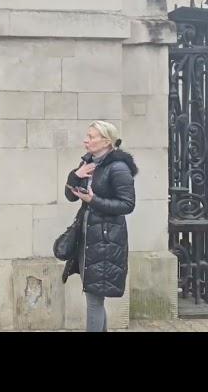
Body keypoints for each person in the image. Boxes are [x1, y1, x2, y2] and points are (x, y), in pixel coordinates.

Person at [63, 120, 137, 332]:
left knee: (94, 299)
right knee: (93, 296)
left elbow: (127, 204)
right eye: (87, 136)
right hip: (87, 237)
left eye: (91, 137)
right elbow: (70, 196)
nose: (86, 140)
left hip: (106, 240)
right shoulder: (87, 163)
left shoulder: (119, 167)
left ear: (106, 141)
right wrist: (75, 176)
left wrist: (93, 201)